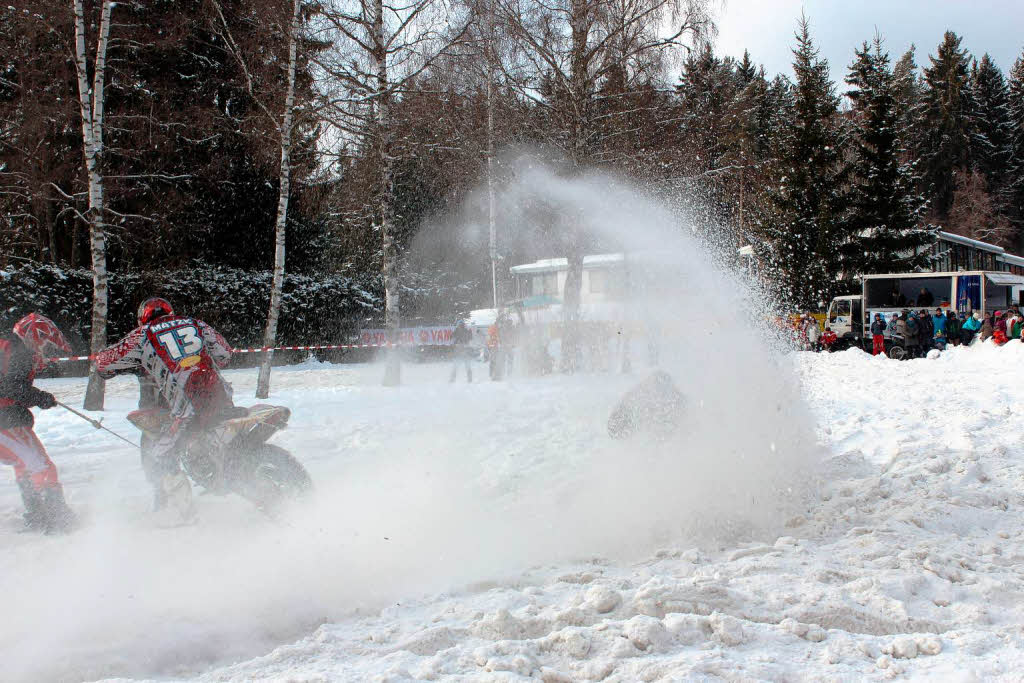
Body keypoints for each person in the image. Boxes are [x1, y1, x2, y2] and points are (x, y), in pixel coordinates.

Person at [94, 298, 233, 521]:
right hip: (221, 397)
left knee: (157, 454)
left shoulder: (143, 334)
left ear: (142, 318)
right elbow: (225, 353)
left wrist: (103, 357)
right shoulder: (193, 322)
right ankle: (220, 473)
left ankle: (177, 510)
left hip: (182, 407)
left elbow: (103, 363)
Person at [0, 313, 77, 533]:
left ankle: (36, 515)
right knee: (42, 466)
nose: (42, 346)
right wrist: (40, 397)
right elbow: (10, 387)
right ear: (32, 334)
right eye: (41, 340)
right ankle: (57, 518)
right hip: (6, 421)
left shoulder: (7, 347)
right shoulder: (19, 352)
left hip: (7, 419)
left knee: (23, 463)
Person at [449, 319, 472, 383]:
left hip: (459, 348)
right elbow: (470, 338)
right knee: (467, 365)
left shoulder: (457, 330)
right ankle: (470, 379)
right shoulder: (466, 330)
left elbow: (451, 336)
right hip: (464, 348)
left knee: (456, 364)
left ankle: (452, 379)